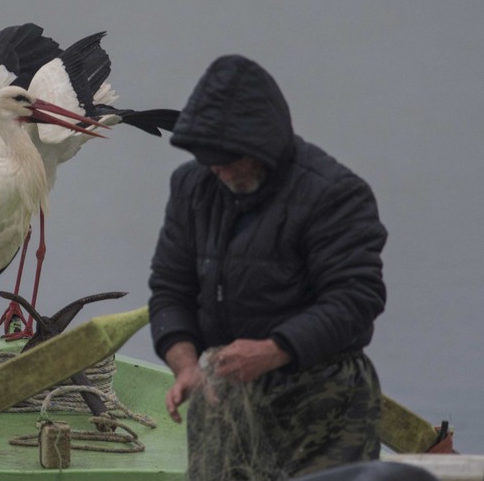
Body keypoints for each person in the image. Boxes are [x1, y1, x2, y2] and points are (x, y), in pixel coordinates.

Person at [148, 55, 387, 479]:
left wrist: (272, 350)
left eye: (229, 158)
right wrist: (185, 365)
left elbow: (355, 300)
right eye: (209, 158)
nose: (218, 169)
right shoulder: (191, 187)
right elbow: (171, 289)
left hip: (322, 402)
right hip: (226, 392)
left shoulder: (334, 194)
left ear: (264, 145)